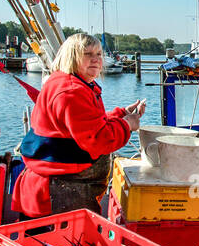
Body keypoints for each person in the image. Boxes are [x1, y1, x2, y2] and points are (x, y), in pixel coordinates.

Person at [13, 33, 146, 218]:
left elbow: (85, 124)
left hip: (56, 184)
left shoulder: (66, 82)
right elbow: (97, 139)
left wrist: (121, 114)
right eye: (87, 54)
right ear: (71, 56)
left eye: (99, 54)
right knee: (66, 237)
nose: (96, 59)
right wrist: (126, 125)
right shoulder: (72, 91)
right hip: (59, 191)